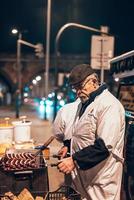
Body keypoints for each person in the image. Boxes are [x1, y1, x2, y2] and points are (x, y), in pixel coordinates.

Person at [58, 64, 125, 200]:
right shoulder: (85, 102)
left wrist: (74, 160)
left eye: (80, 87)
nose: (77, 92)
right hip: (84, 175)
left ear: (94, 82)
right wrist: (68, 145)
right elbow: (83, 132)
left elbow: (104, 146)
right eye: (74, 88)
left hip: (101, 179)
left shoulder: (109, 105)